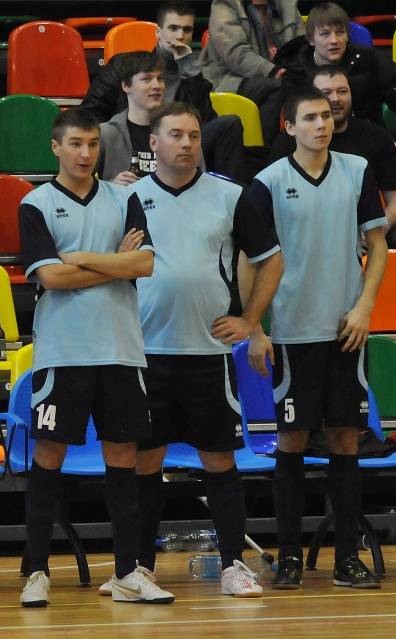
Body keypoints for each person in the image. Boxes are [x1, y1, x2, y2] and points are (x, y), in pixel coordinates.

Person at [108, 102, 282, 600]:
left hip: (207, 353)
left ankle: (232, 565)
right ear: (153, 145)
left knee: (219, 459)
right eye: (176, 135)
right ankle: (137, 568)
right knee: (145, 461)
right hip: (144, 354)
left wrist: (250, 321)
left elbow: (271, 262)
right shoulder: (126, 198)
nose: (186, 143)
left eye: (193, 135)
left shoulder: (232, 196)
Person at [17, 106, 165, 607]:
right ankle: (36, 570)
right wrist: (112, 264)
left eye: (93, 144)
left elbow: (144, 264)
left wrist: (80, 257)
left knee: (123, 458)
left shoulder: (126, 198)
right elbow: (50, 278)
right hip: (63, 350)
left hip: (121, 350)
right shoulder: (35, 204)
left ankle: (127, 573)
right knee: (48, 457)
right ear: (56, 148)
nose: (85, 153)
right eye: (76, 144)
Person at [247, 87, 388, 590]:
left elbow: (377, 244)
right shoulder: (267, 183)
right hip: (291, 331)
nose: (321, 124)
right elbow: (251, 260)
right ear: (288, 127)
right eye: (309, 117)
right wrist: (256, 327)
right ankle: (288, 556)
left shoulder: (356, 170)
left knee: (347, 438)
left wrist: (366, 307)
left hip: (345, 329)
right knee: (292, 439)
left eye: (325, 115)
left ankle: (347, 558)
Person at [82, 2, 246, 182]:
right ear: (158, 32)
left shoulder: (193, 76)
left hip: (178, 139)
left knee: (230, 124)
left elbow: (203, 121)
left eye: (187, 30)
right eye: (173, 28)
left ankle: (230, 200)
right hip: (132, 136)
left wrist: (188, 68)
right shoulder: (125, 66)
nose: (180, 36)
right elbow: (88, 114)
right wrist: (117, 137)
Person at [269, 66, 396, 252]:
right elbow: (274, 207)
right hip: (308, 238)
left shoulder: (376, 136)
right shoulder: (289, 140)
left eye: (342, 91)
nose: (336, 98)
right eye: (326, 93)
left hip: (367, 233)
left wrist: (377, 229)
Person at [275, 3, 396, 166]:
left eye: (340, 33)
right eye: (325, 34)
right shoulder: (296, 74)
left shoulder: (370, 62)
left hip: (371, 145)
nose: (334, 40)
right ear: (311, 39)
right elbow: (293, 127)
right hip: (315, 151)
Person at [200, 0, 305, 143]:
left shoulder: (287, 5)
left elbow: (302, 46)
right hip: (231, 78)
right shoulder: (225, 5)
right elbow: (236, 53)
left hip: (281, 74)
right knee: (278, 89)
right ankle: (262, 152)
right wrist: (273, 71)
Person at [97, 52, 201, 183]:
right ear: (126, 86)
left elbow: (199, 180)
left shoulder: (182, 130)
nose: (157, 86)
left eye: (160, 78)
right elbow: (79, 186)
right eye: (147, 79)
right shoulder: (106, 134)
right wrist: (110, 187)